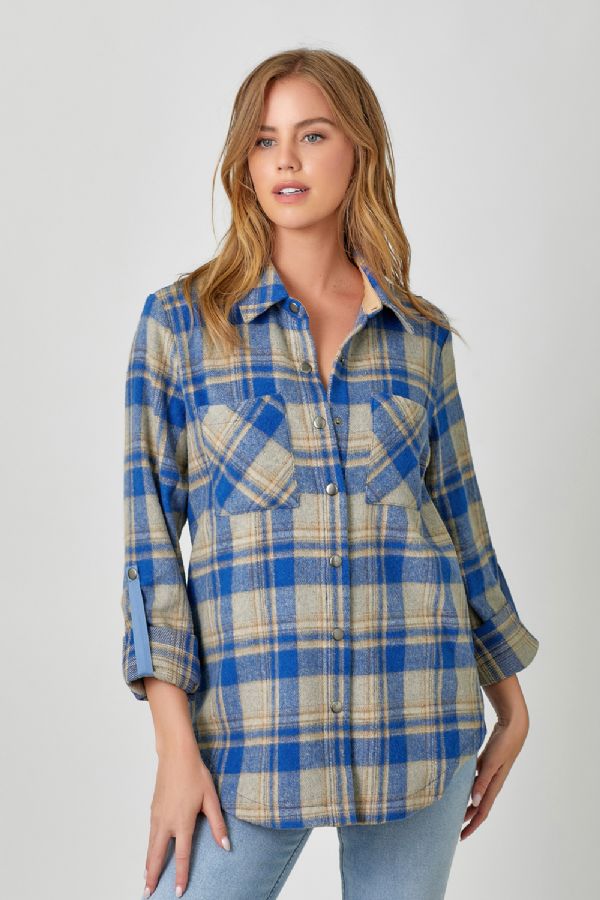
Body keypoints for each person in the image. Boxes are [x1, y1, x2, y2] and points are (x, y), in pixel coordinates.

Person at [121, 48, 540, 899]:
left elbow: (461, 523)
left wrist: (511, 700)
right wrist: (173, 748)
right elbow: (150, 549)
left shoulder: (418, 337)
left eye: (312, 135)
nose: (286, 159)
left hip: (419, 720)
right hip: (251, 739)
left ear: (360, 151)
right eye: (264, 139)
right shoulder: (181, 326)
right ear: (244, 162)